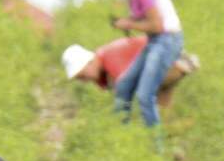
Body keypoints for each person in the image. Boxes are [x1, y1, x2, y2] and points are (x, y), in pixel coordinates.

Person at [89, 0, 184, 132]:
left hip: (167, 40)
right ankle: (121, 136)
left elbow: (157, 25)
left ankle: (155, 146)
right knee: (123, 86)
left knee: (145, 95)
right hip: (156, 41)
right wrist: (130, 22)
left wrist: (128, 22)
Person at [62, 36, 199, 109]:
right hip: (164, 68)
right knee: (163, 113)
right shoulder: (103, 71)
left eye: (82, 75)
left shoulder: (110, 58)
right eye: (79, 78)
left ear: (89, 62)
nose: (83, 80)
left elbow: (123, 97)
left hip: (173, 63)